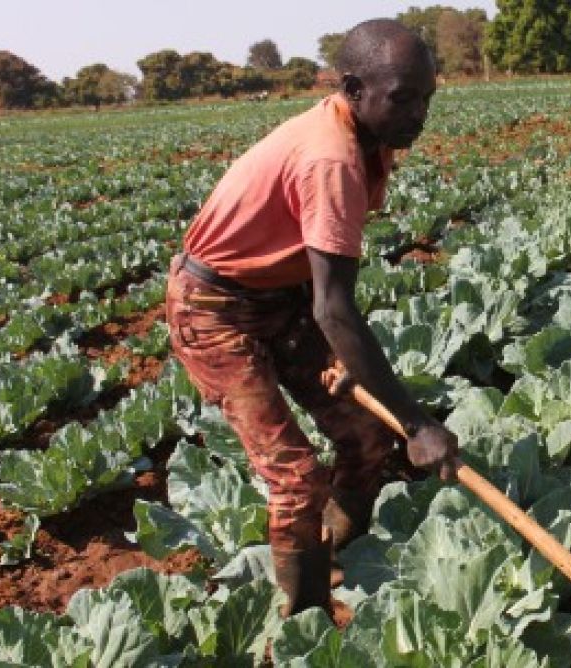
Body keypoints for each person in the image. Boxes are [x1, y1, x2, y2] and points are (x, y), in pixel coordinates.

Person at [165, 18, 459, 617]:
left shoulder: (361, 138)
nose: (419, 113)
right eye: (404, 97)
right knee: (296, 479)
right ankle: (305, 625)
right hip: (216, 308)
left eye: (427, 97)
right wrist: (419, 423)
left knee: (367, 437)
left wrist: (359, 379)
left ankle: (330, 558)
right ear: (353, 89)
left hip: (280, 298)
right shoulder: (330, 158)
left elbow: (319, 296)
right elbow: (334, 306)